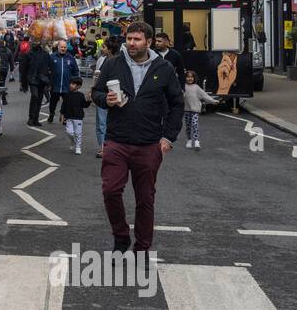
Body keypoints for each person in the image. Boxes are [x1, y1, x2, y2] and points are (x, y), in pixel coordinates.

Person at [93, 21, 184, 253]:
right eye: (129, 39)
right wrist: (106, 100)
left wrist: (168, 137)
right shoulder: (113, 64)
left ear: (149, 42)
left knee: (145, 199)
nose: (131, 43)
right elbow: (96, 92)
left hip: (149, 143)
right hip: (117, 140)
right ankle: (121, 237)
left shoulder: (163, 68)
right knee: (110, 190)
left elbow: (176, 104)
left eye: (137, 39)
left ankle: (142, 247)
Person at [92, 37, 119, 158]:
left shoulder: (120, 61)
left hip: (116, 95)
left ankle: (114, 146)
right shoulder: (101, 60)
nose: (101, 49)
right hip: (102, 95)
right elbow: (96, 77)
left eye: (103, 47)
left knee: (115, 122)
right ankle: (103, 148)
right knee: (101, 123)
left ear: (109, 49)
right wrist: (93, 92)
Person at [181, 69, 218, 150]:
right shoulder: (183, 87)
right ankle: (189, 140)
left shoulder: (196, 87)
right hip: (186, 110)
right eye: (188, 77)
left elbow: (204, 96)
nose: (190, 78)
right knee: (188, 126)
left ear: (194, 78)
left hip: (195, 110)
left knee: (195, 124)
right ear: (185, 78)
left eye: (191, 77)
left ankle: (197, 140)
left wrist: (213, 101)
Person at [48, 39, 81, 125]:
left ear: (67, 48)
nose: (63, 48)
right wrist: (49, 82)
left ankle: (65, 118)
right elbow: (48, 70)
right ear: (58, 47)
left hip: (67, 86)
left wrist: (74, 83)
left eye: (64, 47)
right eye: (61, 47)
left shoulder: (70, 57)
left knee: (67, 103)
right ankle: (51, 114)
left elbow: (75, 71)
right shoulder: (52, 57)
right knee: (53, 102)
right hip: (55, 85)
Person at [25, 40, 53, 126]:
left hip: (42, 79)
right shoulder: (29, 53)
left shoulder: (45, 54)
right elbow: (25, 68)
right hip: (33, 79)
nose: (35, 43)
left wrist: (49, 80)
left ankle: (35, 119)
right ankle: (31, 118)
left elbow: (50, 67)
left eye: (37, 41)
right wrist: (24, 82)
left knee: (39, 99)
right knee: (35, 96)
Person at [60, 78, 89, 155]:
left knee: (78, 133)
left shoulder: (81, 95)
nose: (70, 85)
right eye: (70, 83)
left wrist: (89, 100)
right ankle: (73, 142)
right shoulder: (67, 95)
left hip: (78, 118)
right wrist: (62, 115)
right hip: (69, 117)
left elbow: (84, 105)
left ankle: (78, 147)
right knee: (69, 132)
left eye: (73, 84)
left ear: (78, 86)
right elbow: (64, 106)